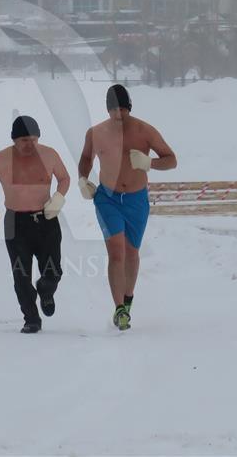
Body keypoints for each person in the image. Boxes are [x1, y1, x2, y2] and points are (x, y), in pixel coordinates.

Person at [77, 85, 177, 331]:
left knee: (132, 253)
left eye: (122, 109)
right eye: (114, 110)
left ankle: (128, 300)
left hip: (136, 200)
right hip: (107, 198)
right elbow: (86, 158)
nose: (118, 115)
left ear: (129, 108)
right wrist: (83, 179)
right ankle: (119, 308)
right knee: (116, 253)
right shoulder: (96, 133)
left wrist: (149, 162)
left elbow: (171, 160)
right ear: (108, 110)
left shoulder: (145, 131)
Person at [0, 115, 70, 334]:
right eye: (24, 141)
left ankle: (46, 290)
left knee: (53, 270)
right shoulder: (1, 159)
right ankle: (31, 318)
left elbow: (64, 178)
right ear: (14, 140)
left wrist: (58, 198)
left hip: (46, 218)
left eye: (33, 139)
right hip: (15, 222)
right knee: (21, 273)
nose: (29, 145)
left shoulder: (49, 154)